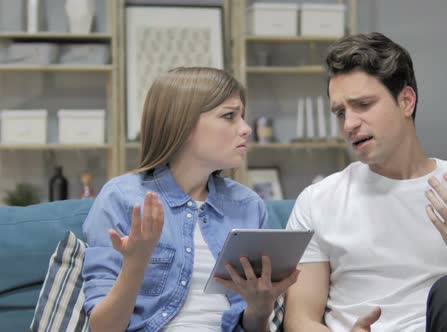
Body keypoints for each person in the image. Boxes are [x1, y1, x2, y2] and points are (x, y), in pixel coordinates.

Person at [284, 33, 447, 332]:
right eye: (340, 112)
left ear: (406, 101)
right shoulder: (316, 201)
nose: (349, 124)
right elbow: (300, 320)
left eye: (363, 104)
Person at [82, 67, 298, 332]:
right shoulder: (121, 198)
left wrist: (260, 307)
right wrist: (136, 261)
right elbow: (102, 329)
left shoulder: (248, 205)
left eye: (242, 116)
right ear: (181, 125)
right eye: (229, 116)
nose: (246, 129)